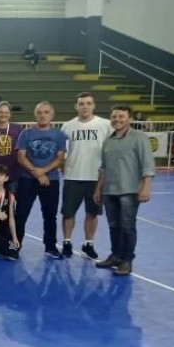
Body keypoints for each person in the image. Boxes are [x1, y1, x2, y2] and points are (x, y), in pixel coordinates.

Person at [93, 105, 156, 276]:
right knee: (114, 226)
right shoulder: (108, 140)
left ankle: (127, 261)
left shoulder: (139, 137)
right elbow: (103, 168)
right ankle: (116, 256)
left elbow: (148, 165)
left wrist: (145, 187)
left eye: (121, 116)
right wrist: (99, 189)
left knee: (128, 227)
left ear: (129, 119)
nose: (117, 120)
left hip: (129, 191)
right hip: (109, 191)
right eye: (114, 117)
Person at [60, 92, 113, 259]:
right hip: (73, 176)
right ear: (76, 106)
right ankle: (67, 242)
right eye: (81, 104)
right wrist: (63, 167)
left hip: (95, 178)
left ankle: (88, 244)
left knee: (92, 213)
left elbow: (111, 150)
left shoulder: (105, 125)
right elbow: (62, 152)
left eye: (88, 103)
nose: (85, 106)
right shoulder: (67, 126)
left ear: (94, 105)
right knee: (68, 213)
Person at [14, 101, 68, 259]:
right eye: (39, 112)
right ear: (35, 115)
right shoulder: (26, 134)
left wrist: (43, 172)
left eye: (46, 112)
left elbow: (59, 159)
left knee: (50, 215)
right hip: (26, 179)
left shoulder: (59, 135)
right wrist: (37, 174)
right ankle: (15, 245)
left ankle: (50, 247)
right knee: (21, 213)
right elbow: (21, 157)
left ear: (52, 115)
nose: (43, 115)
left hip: (51, 181)